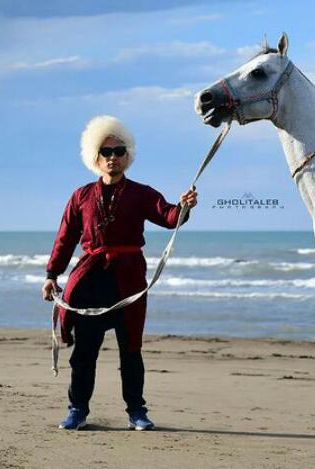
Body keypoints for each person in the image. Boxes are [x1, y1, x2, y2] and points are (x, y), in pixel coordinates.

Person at [41, 115, 198, 431]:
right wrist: (52, 274)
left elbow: (168, 216)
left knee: (131, 351)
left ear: (128, 155)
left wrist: (183, 207)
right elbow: (65, 237)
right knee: (84, 352)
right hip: (90, 283)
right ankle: (77, 410)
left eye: (119, 150)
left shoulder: (142, 193)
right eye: (106, 151)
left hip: (128, 283)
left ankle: (137, 412)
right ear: (95, 158)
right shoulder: (80, 196)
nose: (113, 157)